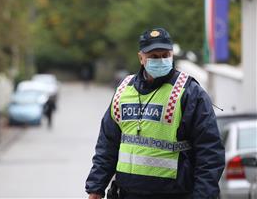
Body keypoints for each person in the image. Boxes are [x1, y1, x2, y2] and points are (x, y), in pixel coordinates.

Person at [85, 28, 225, 199]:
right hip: (127, 193)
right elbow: (108, 145)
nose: (161, 60)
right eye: (154, 57)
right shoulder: (124, 89)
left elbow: (210, 152)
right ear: (141, 58)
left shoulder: (189, 92)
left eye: (165, 55)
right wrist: (96, 188)